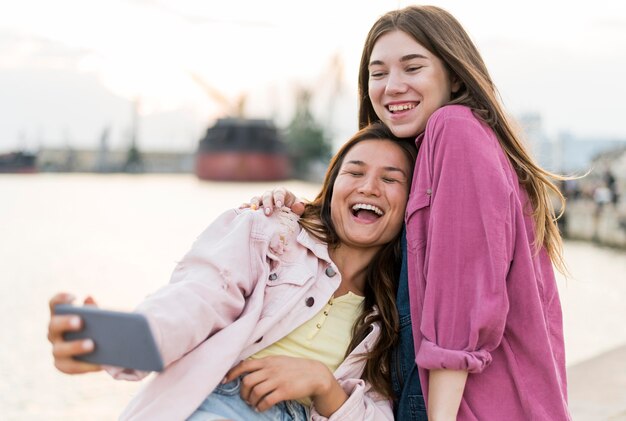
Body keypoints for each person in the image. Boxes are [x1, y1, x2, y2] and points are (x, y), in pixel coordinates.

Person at [253, 5, 571, 421]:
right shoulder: (460, 149)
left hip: (468, 406)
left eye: (412, 68)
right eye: (378, 73)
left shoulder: (454, 130)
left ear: (455, 74)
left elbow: (460, 303)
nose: (392, 87)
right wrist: (306, 214)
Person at [47, 122, 418, 421]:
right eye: (355, 172)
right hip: (228, 405)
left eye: (390, 179)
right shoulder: (271, 234)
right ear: (333, 185)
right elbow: (199, 298)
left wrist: (326, 388)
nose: (369, 187)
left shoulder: (396, 312)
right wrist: (119, 343)